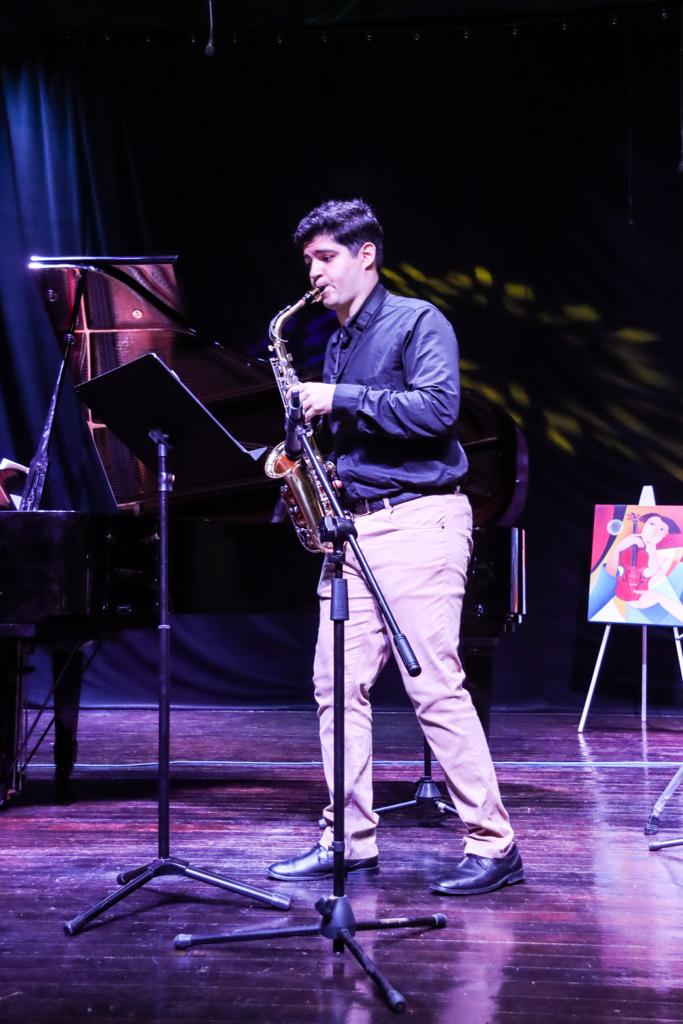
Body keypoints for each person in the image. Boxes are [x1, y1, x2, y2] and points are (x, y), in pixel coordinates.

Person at [267, 198, 523, 895]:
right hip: (352, 530)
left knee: (432, 684)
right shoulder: (337, 341)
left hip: (418, 520)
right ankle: (348, 839)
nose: (313, 274)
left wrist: (339, 397)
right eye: (308, 261)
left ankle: (493, 842)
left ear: (365, 254)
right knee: (333, 687)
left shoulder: (418, 321)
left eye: (324, 258)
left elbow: (439, 410)